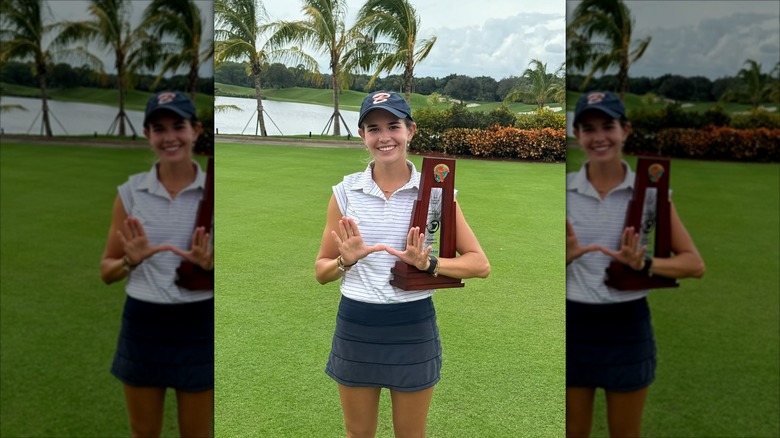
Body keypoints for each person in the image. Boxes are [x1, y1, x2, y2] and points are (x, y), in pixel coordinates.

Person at [315, 90, 491, 438]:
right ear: (362, 135)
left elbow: (479, 264)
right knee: (358, 434)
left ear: (410, 130)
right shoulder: (346, 192)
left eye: (393, 126)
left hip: (412, 325)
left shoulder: (437, 192)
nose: (384, 137)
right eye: (373, 128)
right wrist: (344, 261)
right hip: (357, 323)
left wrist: (429, 264)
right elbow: (321, 271)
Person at [565, 90, 706, 438]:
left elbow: (693, 264)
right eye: (588, 128)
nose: (599, 137)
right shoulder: (565, 190)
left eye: (607, 126)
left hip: (627, 326)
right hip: (572, 325)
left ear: (625, 130)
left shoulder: (651, 192)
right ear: (577, 135)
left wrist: (643, 265)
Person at [100, 91, 214, 438]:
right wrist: (129, 260)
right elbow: (107, 271)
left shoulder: (214, 192)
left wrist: (210, 267)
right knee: (143, 433)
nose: (169, 137)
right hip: (143, 324)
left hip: (198, 325)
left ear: (194, 130)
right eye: (158, 128)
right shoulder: (131, 192)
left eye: (177, 126)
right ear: (148, 135)